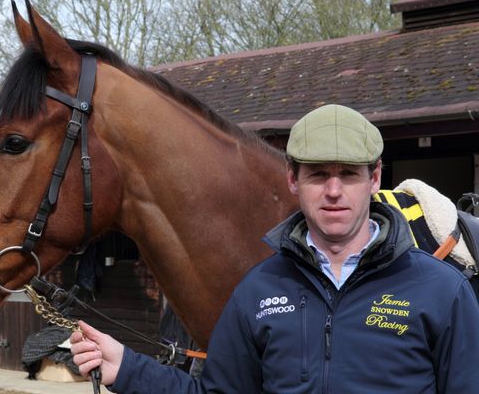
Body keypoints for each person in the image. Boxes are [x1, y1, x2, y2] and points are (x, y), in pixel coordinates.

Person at [70, 104, 479, 393]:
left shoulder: (441, 289)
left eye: (348, 175)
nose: (334, 191)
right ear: (292, 179)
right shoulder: (259, 290)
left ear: (374, 178)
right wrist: (125, 367)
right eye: (318, 174)